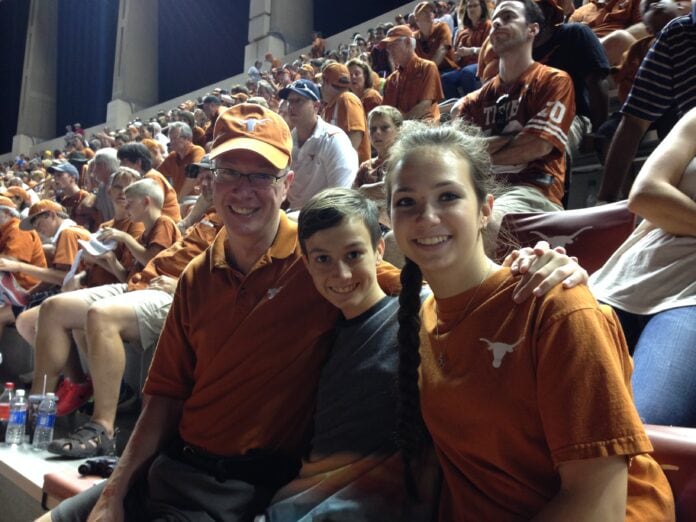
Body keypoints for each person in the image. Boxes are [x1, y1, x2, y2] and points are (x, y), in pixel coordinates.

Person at [42, 103, 584, 522]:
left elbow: (428, 280)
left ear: (288, 183)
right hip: (170, 469)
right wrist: (115, 492)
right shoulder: (197, 276)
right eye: (230, 172)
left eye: (261, 176)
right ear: (207, 182)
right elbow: (164, 396)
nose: (244, 191)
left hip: (240, 487)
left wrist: (543, 266)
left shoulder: (323, 256)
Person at [386, 119, 675, 521]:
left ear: (486, 210)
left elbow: (601, 506)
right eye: (406, 202)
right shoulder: (420, 317)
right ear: (389, 219)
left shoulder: (554, 305)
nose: (426, 217)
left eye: (448, 196)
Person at [263, 188, 433, 521]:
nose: (340, 274)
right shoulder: (317, 334)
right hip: (293, 505)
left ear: (378, 250)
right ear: (307, 264)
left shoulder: (421, 316)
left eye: (354, 254)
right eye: (323, 259)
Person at [590, 107, 696, 427]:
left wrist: (677, 210)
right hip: (622, 280)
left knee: (645, 428)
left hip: (689, 299)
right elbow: (646, 194)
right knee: (515, 408)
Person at [453, 0, 575, 228]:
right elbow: (457, 152)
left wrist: (477, 157)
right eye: (495, 20)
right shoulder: (475, 99)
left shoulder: (554, 80)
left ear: (533, 29)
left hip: (532, 190)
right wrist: (510, 140)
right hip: (481, 191)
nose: (497, 22)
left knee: (480, 226)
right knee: (394, 241)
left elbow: (535, 146)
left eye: (508, 17)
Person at [597, 3, 695, 202]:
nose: (656, 4)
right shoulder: (675, 36)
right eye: (648, 5)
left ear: (681, 6)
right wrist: (605, 201)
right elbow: (633, 121)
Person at [278, 79, 358, 210]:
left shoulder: (334, 140)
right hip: (295, 217)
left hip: (326, 218)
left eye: (298, 101)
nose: (291, 106)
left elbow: (341, 196)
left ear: (316, 106)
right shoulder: (288, 141)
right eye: (290, 101)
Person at [379, 25, 445, 122]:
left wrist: (401, 124)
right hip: (402, 130)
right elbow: (388, 112)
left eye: (393, 45)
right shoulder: (391, 80)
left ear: (408, 42)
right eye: (388, 48)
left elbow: (424, 106)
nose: (390, 51)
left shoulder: (427, 68)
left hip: (425, 128)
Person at [320, 62, 371, 164]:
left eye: (322, 82)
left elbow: (355, 136)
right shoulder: (329, 107)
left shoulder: (347, 99)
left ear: (327, 82)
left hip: (353, 172)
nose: (321, 86)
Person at [441, 0, 492, 99]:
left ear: (482, 8)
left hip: (482, 64)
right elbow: (456, 60)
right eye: (469, 7)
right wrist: (458, 56)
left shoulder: (488, 26)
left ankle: (474, 106)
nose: (471, 9)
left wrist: (471, 50)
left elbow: (491, 50)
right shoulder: (462, 33)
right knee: (445, 78)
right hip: (464, 67)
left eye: (474, 6)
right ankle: (460, 110)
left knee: (467, 72)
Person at [157, 121, 205, 201]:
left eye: (175, 138)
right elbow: (157, 174)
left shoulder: (197, 151)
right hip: (180, 200)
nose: (171, 142)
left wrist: (178, 199)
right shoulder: (173, 156)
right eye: (171, 139)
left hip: (194, 199)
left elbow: (192, 177)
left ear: (188, 138)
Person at [413, 1, 459, 72]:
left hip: (448, 70)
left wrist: (428, 73)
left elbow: (442, 50)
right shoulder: (414, 38)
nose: (429, 14)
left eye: (431, 11)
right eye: (425, 12)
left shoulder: (442, 27)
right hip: (430, 74)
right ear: (417, 19)